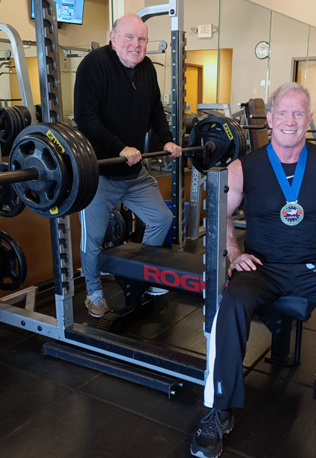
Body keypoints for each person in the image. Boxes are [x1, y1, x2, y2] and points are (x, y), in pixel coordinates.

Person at [190, 82, 316, 458]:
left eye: (299, 113)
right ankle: (218, 408)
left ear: (309, 119)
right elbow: (220, 215)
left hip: (314, 263)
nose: (290, 120)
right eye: (282, 112)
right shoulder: (243, 167)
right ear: (269, 119)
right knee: (230, 306)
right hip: (261, 266)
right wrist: (234, 254)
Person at [74, 14, 182, 318]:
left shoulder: (146, 68)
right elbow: (86, 118)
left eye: (142, 39)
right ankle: (93, 292)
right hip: (98, 173)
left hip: (134, 173)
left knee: (162, 218)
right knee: (93, 240)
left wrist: (167, 140)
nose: (136, 45)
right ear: (113, 37)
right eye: (130, 38)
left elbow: (155, 110)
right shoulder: (93, 65)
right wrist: (119, 147)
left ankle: (140, 276)